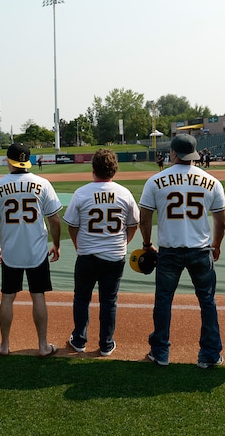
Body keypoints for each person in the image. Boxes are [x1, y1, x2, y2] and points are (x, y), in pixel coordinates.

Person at [138, 134, 225, 368]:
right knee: (207, 302)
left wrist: (147, 244)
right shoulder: (212, 181)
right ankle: (209, 355)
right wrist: (216, 245)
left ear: (173, 153)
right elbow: (222, 221)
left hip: (169, 251)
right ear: (195, 154)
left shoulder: (156, 180)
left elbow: (145, 218)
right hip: (201, 250)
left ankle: (160, 353)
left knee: (163, 301)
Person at [0, 143, 62, 358]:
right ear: (27, 160)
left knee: (7, 297)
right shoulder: (42, 183)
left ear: (8, 160)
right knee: (38, 296)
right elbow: (54, 220)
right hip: (37, 251)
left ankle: (4, 345)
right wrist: (57, 244)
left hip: (10, 251)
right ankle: (43, 346)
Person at [63, 149, 140, 356]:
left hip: (87, 254)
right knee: (109, 301)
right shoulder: (125, 193)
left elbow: (71, 224)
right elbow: (134, 224)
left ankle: (79, 340)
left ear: (93, 168)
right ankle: (106, 344)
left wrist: (78, 244)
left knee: (81, 298)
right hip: (115, 256)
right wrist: (124, 242)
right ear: (114, 169)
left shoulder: (82, 192)